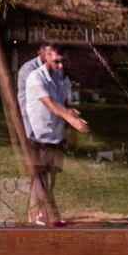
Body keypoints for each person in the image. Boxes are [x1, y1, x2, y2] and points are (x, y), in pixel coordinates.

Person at [23, 44, 90, 226]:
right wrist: (70, 119)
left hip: (55, 135)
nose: (60, 66)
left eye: (62, 62)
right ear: (45, 58)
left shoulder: (61, 78)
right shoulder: (36, 77)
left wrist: (69, 112)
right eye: (56, 61)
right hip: (38, 135)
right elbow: (49, 104)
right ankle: (41, 214)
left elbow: (61, 103)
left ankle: (41, 214)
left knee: (49, 178)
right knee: (40, 177)